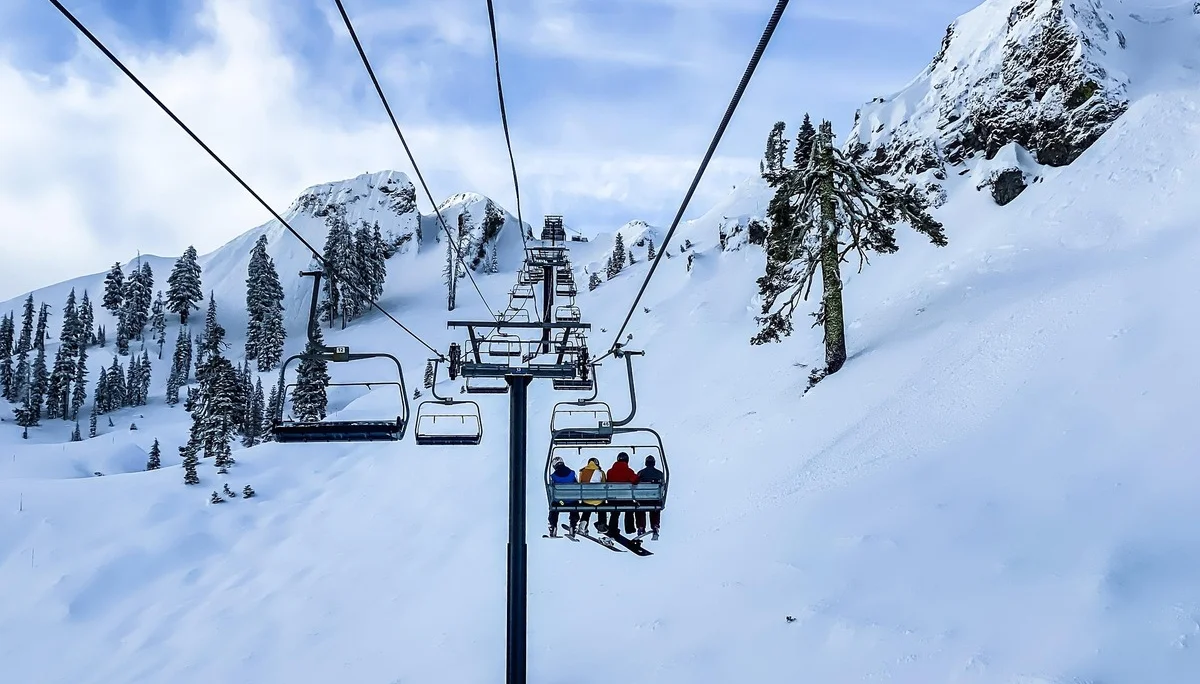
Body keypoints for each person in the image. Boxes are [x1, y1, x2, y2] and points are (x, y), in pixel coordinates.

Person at [605, 452, 640, 536]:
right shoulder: (629, 471)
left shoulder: (610, 472)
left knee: (615, 513)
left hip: (613, 500)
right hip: (626, 499)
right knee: (629, 509)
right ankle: (629, 528)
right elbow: (635, 481)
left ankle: (612, 529)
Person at [547, 456, 579, 537]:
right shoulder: (572, 473)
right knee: (575, 503)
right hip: (572, 502)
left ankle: (553, 525)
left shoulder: (553, 476)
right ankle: (573, 525)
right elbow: (577, 486)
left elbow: (551, 490)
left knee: (554, 506)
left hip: (560, 502)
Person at [635, 454, 664, 539]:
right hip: (655, 499)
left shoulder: (641, 473)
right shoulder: (659, 474)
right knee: (655, 509)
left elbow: (636, 484)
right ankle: (655, 526)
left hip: (643, 499)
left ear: (646, 463)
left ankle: (641, 527)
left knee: (640, 509)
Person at [576, 456, 607, 534]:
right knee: (602, 506)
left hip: (586, 499)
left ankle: (583, 525)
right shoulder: (600, 472)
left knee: (587, 505)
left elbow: (580, 485)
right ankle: (601, 526)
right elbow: (604, 485)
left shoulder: (582, 472)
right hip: (598, 500)